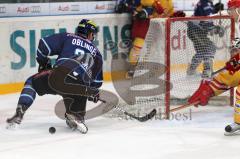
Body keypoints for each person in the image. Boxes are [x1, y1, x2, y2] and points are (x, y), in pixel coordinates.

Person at [6, 19, 103, 134]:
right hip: (79, 86)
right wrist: (92, 93)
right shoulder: (97, 54)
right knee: (77, 93)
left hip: (58, 77)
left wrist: (43, 63)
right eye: (93, 34)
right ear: (90, 33)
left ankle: (20, 111)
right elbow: (96, 82)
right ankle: (75, 115)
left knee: (31, 82)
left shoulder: (67, 36)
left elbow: (43, 45)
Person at [186, 0, 224, 78]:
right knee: (210, 47)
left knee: (201, 51)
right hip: (196, 31)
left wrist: (215, 9)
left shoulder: (204, 2)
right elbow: (207, 22)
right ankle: (207, 71)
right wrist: (216, 29)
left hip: (194, 30)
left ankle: (191, 70)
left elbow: (206, 16)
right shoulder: (206, 3)